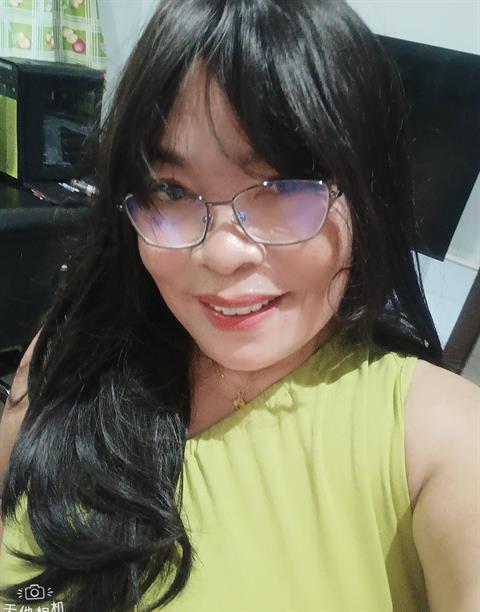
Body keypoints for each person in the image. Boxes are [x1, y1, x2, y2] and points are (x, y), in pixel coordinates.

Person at [0, 1, 478, 610]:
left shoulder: (441, 443)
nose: (222, 254)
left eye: (283, 187)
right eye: (170, 190)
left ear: (368, 195)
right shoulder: (69, 354)